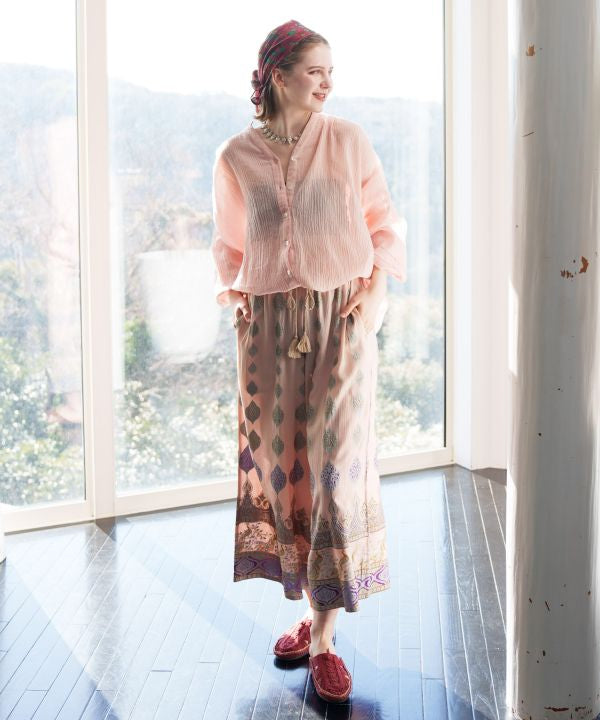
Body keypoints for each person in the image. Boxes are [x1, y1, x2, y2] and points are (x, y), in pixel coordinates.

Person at [210, 18, 407, 704]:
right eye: (315, 70)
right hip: (266, 329)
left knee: (333, 470)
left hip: (339, 319)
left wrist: (373, 297)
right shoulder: (236, 155)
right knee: (285, 470)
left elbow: (383, 224)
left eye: (331, 71)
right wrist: (236, 298)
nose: (327, 82)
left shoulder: (347, 140)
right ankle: (311, 610)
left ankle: (323, 640)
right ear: (278, 75)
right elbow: (230, 244)